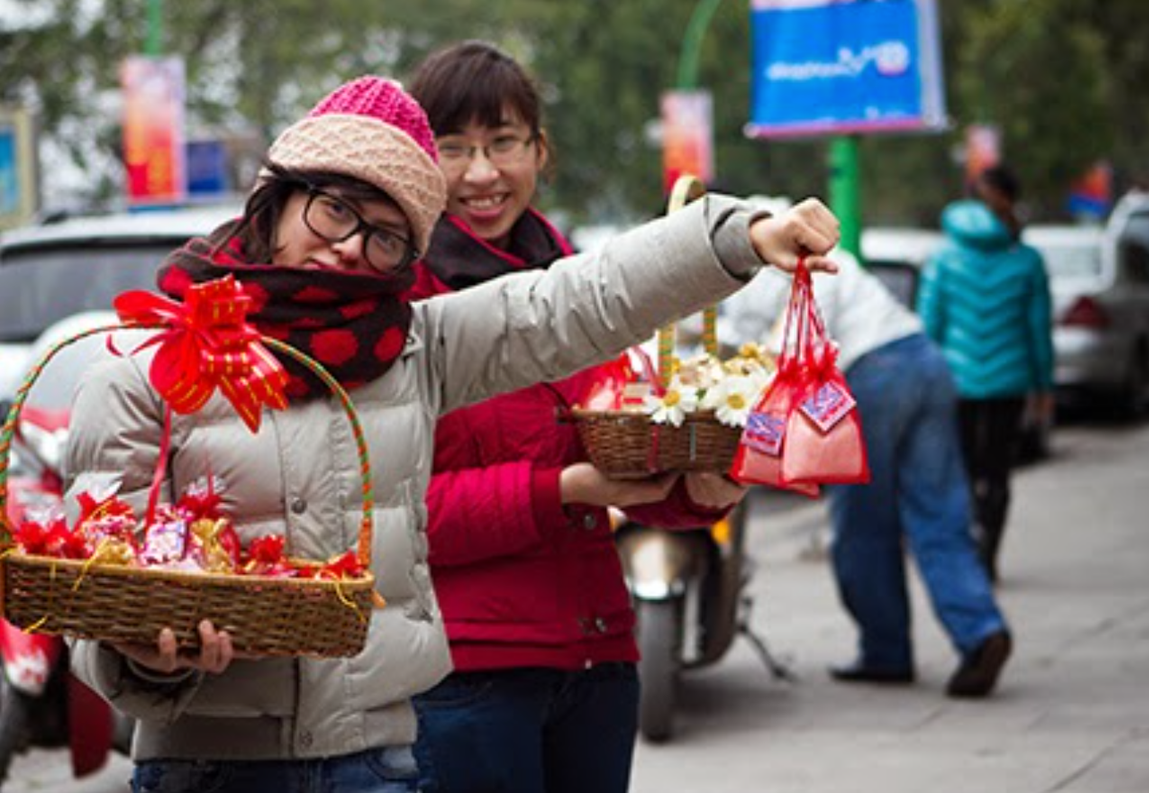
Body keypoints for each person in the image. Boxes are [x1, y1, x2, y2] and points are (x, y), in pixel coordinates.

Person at [63, 75, 840, 793]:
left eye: (385, 234)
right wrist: (150, 658)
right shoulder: (146, 367)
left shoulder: (414, 351)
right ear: (276, 197)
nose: (348, 246)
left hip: (380, 761)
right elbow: (95, 592)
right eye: (335, 209)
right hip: (207, 765)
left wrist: (735, 237)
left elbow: (576, 300)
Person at [403, 41, 748, 793]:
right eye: (452, 148)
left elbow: (625, 455)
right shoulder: (401, 305)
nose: (481, 173)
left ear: (539, 150)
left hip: (598, 660)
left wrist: (703, 489)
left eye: (502, 143)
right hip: (463, 677)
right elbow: (393, 516)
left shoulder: (587, 290)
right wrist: (561, 490)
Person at [721, 253, 1013, 698]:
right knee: (939, 514)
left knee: (863, 526)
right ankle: (979, 629)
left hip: (872, 374)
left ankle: (885, 650)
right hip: (924, 359)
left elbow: (774, 344)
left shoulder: (753, 257)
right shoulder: (792, 231)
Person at [919, 165, 1054, 582]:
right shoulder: (1028, 261)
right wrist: (1043, 385)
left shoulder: (942, 258)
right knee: (996, 471)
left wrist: (927, 377)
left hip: (954, 381)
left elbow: (930, 325)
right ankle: (988, 549)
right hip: (1009, 382)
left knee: (958, 467)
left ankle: (965, 545)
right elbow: (1038, 329)